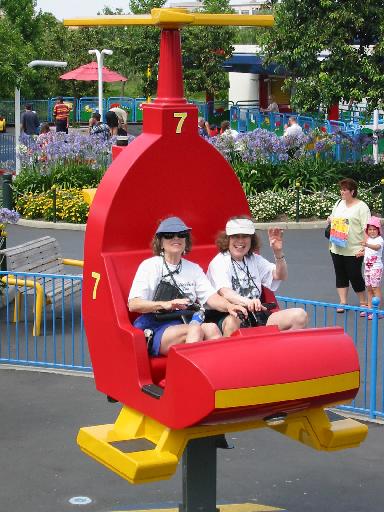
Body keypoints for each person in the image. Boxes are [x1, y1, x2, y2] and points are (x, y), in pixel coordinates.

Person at [128, 216, 246, 356]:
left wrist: (229, 306)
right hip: (155, 325)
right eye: (169, 235)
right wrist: (165, 305)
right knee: (194, 330)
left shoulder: (193, 269)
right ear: (160, 242)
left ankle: (222, 370)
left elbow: (211, 297)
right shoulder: (150, 266)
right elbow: (134, 304)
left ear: (186, 240)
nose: (176, 238)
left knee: (212, 328)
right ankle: (186, 376)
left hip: (184, 321)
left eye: (181, 235)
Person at [206, 217, 308, 336]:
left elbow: (280, 275)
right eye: (235, 236)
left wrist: (278, 252)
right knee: (233, 321)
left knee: (300, 316)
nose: (240, 241)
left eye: (245, 236)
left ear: (251, 239)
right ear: (227, 239)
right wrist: (248, 302)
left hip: (256, 314)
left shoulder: (254, 259)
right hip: (228, 315)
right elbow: (226, 292)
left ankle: (278, 352)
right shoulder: (219, 262)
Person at [326, 178, 370, 312]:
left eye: (345, 190)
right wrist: (330, 219)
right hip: (337, 245)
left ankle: (363, 301)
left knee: (354, 274)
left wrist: (365, 247)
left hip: (354, 248)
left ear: (352, 191)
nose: (342, 192)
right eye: (341, 189)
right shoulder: (339, 203)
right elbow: (332, 217)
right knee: (340, 274)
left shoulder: (362, 207)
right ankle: (343, 301)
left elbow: (367, 228)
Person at [359, 216, 383, 319]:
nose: (372, 231)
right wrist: (361, 253)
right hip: (368, 268)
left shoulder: (379, 240)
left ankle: (377, 311)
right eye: (370, 229)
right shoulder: (368, 239)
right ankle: (369, 309)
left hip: (376, 268)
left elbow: (377, 247)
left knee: (375, 288)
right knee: (368, 288)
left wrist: (367, 245)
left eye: (374, 229)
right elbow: (369, 252)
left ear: (378, 230)